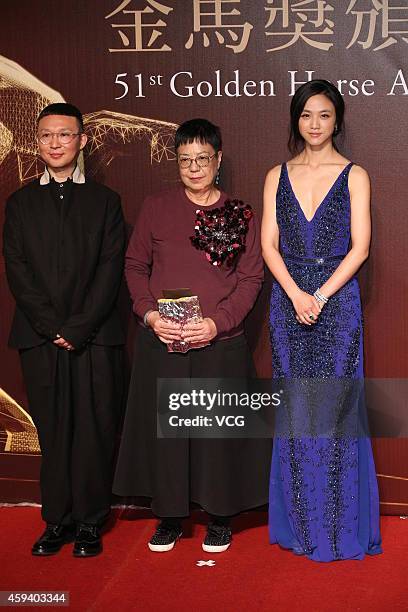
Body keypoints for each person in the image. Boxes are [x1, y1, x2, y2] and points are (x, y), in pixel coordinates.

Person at [113, 118, 271, 553]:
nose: (195, 167)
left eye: (203, 159)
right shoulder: (156, 207)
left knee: (217, 434)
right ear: (176, 162)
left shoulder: (239, 213)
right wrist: (148, 315)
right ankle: (170, 516)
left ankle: (220, 516)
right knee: (169, 433)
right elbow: (134, 266)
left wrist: (217, 323)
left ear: (218, 160)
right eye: (186, 160)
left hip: (219, 343)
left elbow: (251, 278)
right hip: (163, 341)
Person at [261, 80, 382, 561]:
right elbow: (270, 245)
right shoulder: (277, 175)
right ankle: (301, 526)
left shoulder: (355, 176)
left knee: (335, 413)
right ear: (296, 120)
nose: (314, 124)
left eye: (324, 115)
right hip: (289, 305)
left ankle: (338, 527)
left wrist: (320, 294)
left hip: (337, 306)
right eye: (306, 115)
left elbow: (361, 247)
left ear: (337, 120)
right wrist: (295, 293)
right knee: (295, 412)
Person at [3, 103, 126, 557]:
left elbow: (109, 270)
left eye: (65, 135)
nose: (55, 143)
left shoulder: (105, 201)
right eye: (46, 136)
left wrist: (77, 327)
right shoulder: (19, 202)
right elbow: (17, 270)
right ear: (37, 142)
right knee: (52, 431)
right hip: (39, 338)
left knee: (94, 430)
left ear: (82, 141)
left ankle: (91, 522)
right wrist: (52, 326)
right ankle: (57, 521)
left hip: (94, 339)